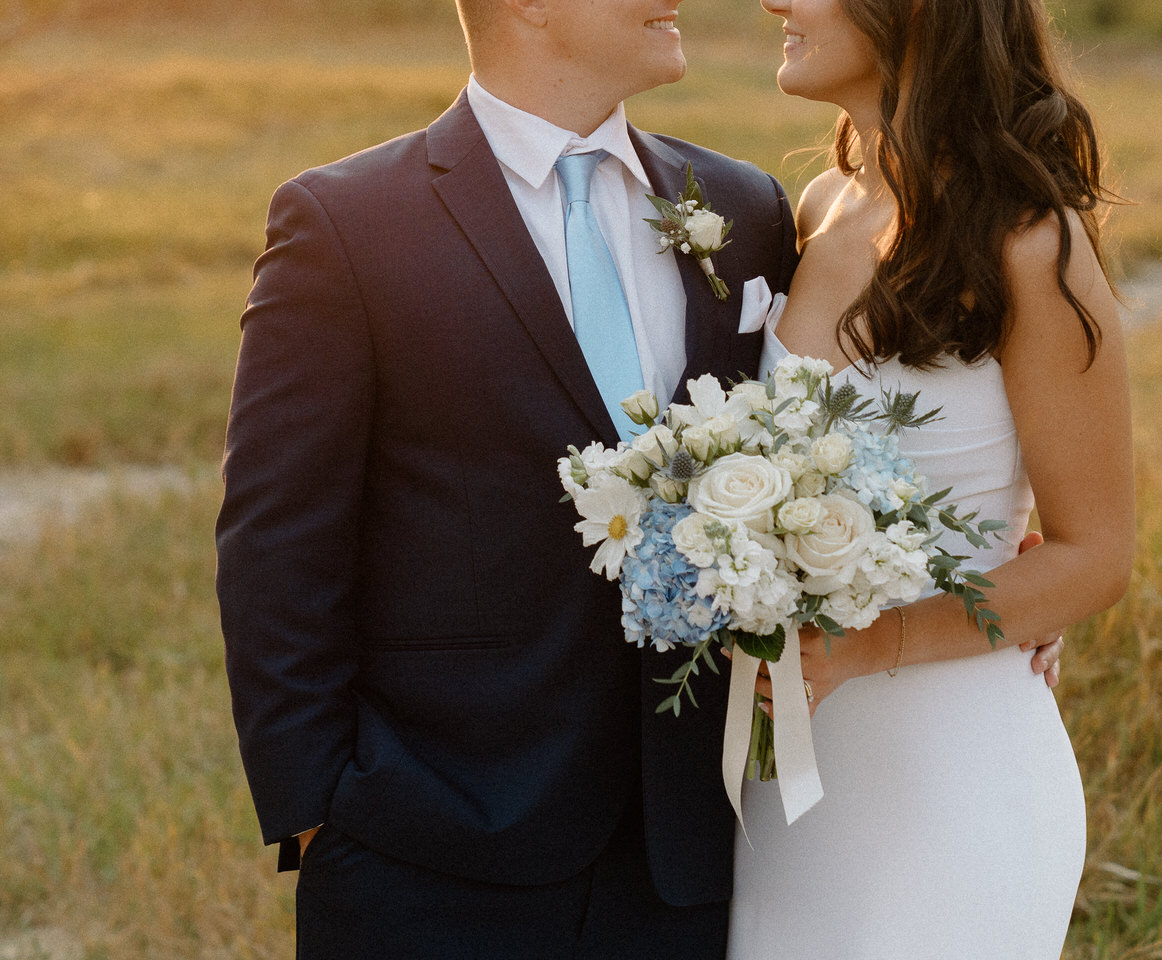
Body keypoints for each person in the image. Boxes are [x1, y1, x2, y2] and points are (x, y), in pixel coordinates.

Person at [216, 0, 1067, 956]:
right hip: (429, 851)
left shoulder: (744, 210)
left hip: (691, 854)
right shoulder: (348, 223)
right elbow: (276, 545)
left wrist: (988, 569)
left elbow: (844, 423)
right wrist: (315, 810)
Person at [728, 0, 1134, 956]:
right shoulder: (823, 205)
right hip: (783, 790)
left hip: (951, 780)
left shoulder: (1034, 244)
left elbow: (1095, 555)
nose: (775, 3)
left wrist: (870, 644)